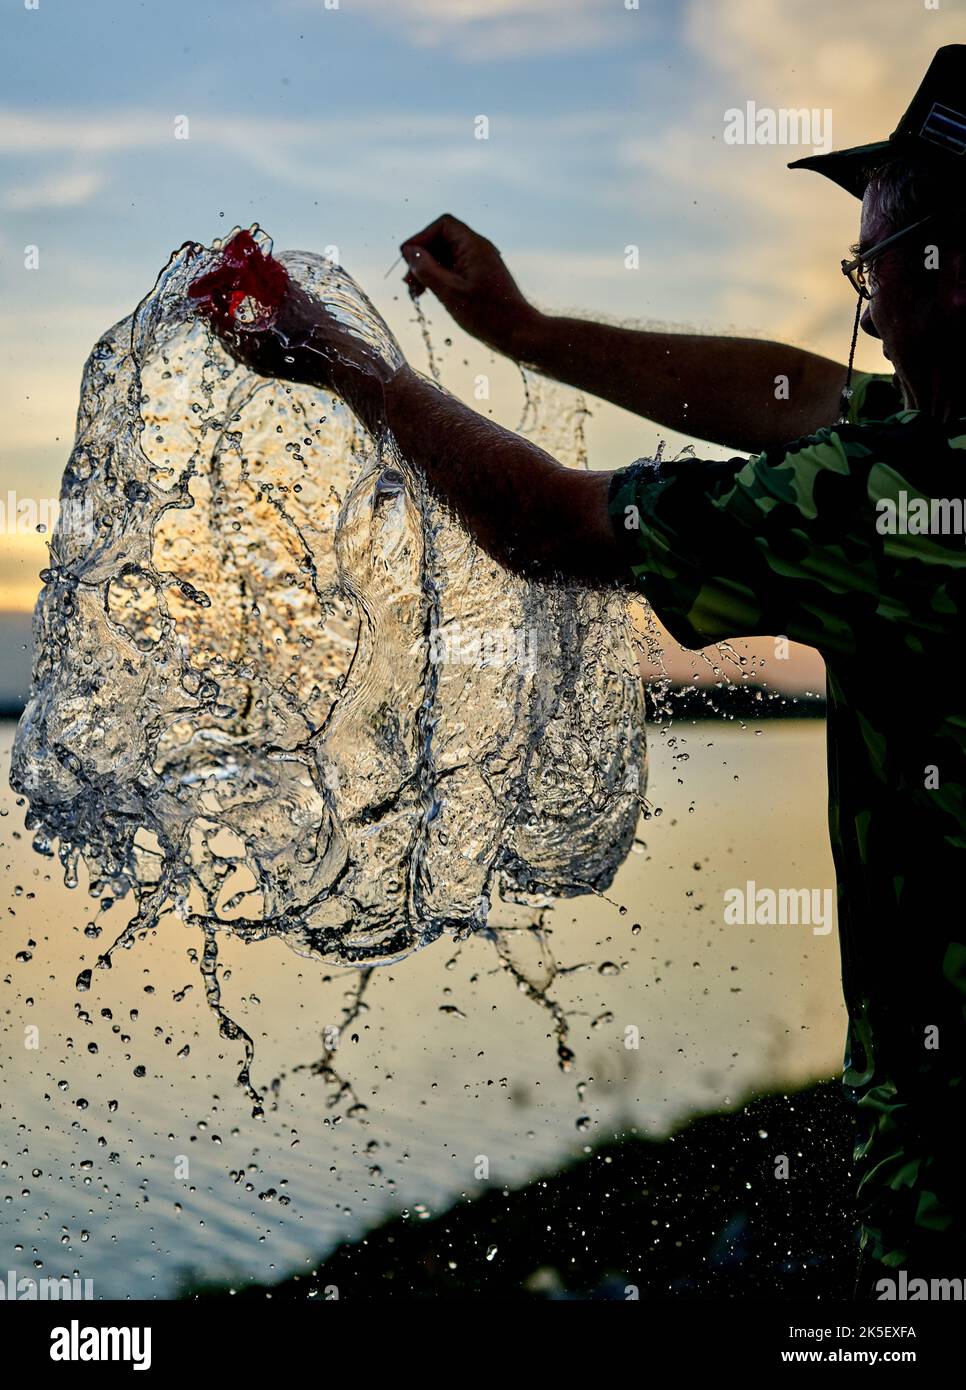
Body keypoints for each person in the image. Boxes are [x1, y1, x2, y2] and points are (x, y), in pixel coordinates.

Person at [209, 47, 966, 1300]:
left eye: (873, 269)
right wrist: (522, 331)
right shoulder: (920, 433)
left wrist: (336, 358)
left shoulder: (903, 509)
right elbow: (801, 394)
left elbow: (555, 527)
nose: (867, 314)